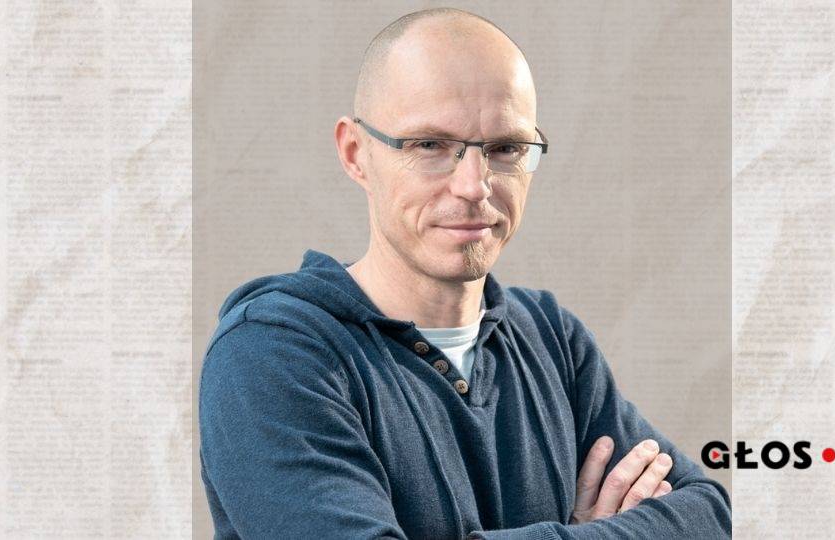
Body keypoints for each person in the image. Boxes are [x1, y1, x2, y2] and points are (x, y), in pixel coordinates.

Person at [199, 8, 731, 539]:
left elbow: (708, 514)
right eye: (430, 145)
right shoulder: (270, 355)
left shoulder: (552, 339)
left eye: (506, 148)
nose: (474, 186)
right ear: (356, 153)